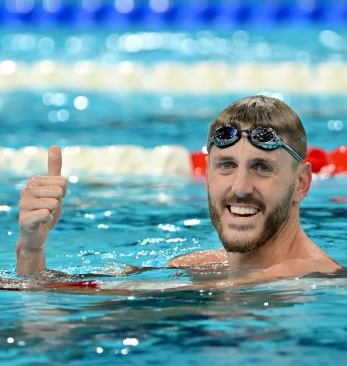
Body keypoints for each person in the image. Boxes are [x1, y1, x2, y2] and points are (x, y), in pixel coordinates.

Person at [17, 95, 341, 285]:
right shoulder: (197, 265)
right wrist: (31, 247)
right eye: (226, 165)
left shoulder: (313, 279)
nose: (240, 187)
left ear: (302, 183)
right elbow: (49, 287)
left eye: (262, 167)